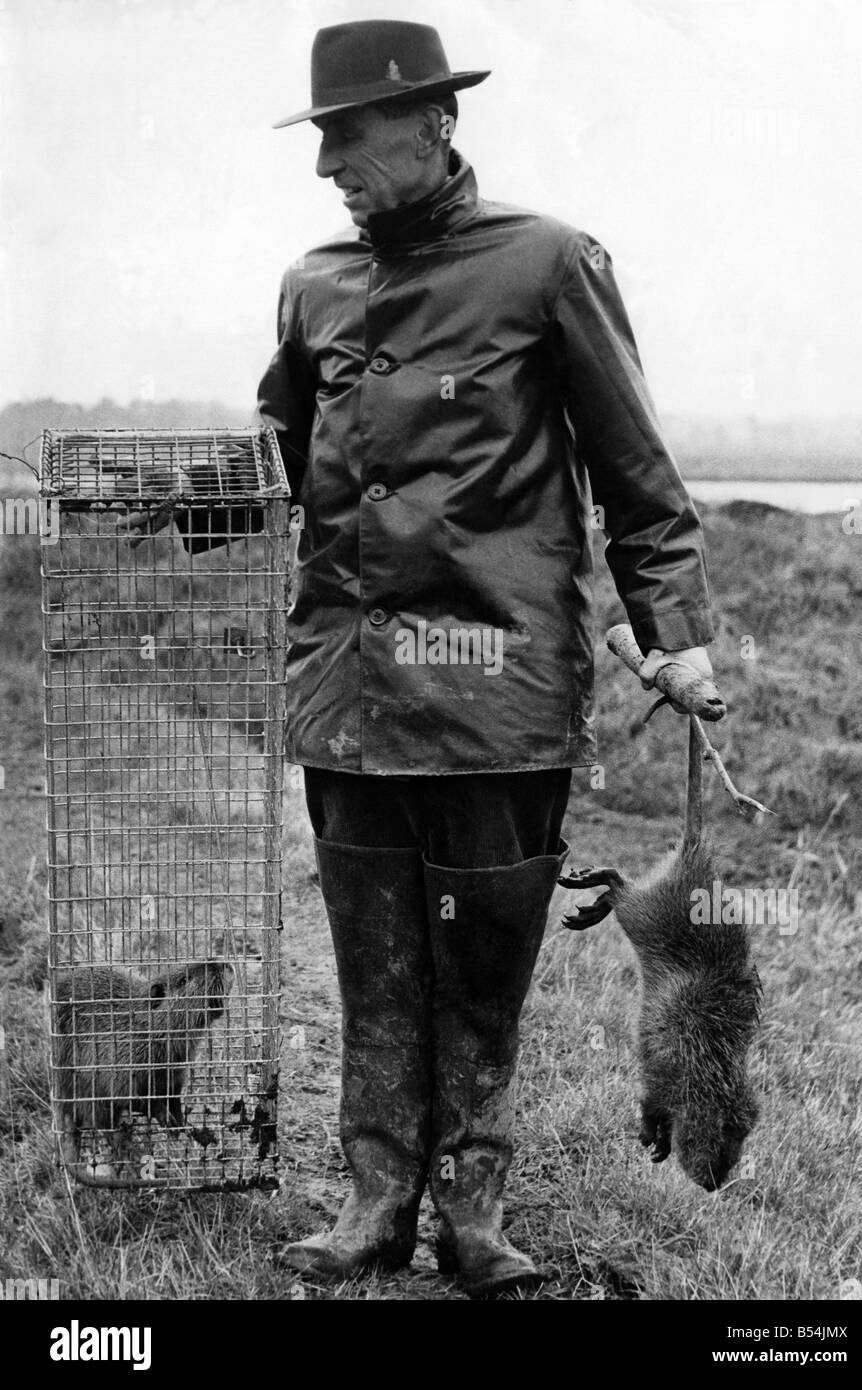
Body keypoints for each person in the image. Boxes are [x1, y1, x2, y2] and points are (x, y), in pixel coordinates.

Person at [258, 19, 716, 1297]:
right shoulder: (312, 283)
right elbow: (276, 457)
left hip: (498, 691)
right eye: (323, 137)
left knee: (481, 955)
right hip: (349, 692)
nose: (328, 164)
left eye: (348, 134)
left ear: (436, 123)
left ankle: (476, 1209)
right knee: (375, 956)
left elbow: (641, 483)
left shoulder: (548, 263)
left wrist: (676, 640)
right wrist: (181, 493)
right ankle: (371, 1200)